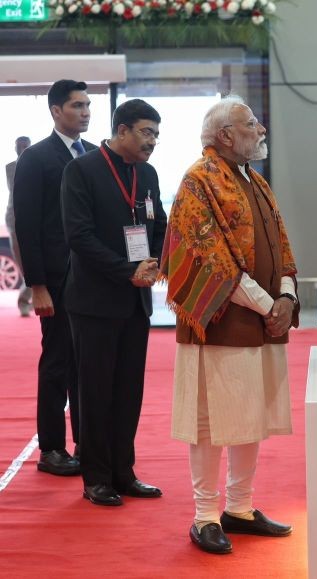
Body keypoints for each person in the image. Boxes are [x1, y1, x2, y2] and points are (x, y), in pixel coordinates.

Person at [160, 95, 299, 554]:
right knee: (209, 422)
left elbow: (281, 246)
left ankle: (239, 508)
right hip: (218, 322)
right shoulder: (198, 180)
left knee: (249, 414)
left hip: (262, 318)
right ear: (225, 135)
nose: (261, 130)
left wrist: (286, 297)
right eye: (251, 124)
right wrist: (269, 306)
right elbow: (210, 260)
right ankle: (204, 516)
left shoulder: (253, 179)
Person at [60, 98, 167, 506]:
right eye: (146, 132)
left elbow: (159, 225)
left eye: (156, 134)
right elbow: (79, 236)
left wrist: (154, 262)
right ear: (122, 130)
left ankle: (124, 472)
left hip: (136, 302)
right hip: (94, 302)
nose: (152, 141)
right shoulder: (81, 170)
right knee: (95, 391)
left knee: (128, 391)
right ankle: (96, 477)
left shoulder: (148, 173)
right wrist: (127, 271)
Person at [13, 80, 95, 476]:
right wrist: (37, 285)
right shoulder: (37, 158)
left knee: (87, 364)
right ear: (56, 111)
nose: (85, 112)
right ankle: (51, 449)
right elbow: (26, 226)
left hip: (93, 278)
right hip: (57, 280)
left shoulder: (95, 154)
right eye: (77, 105)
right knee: (58, 362)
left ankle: (86, 443)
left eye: (87, 105)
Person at [5, 135, 32, 316]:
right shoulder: (10, 167)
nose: (21, 149)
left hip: (35, 217)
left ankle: (27, 298)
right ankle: (26, 297)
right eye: (19, 146)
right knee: (21, 261)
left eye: (25, 146)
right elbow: (16, 190)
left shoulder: (37, 165)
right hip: (14, 218)